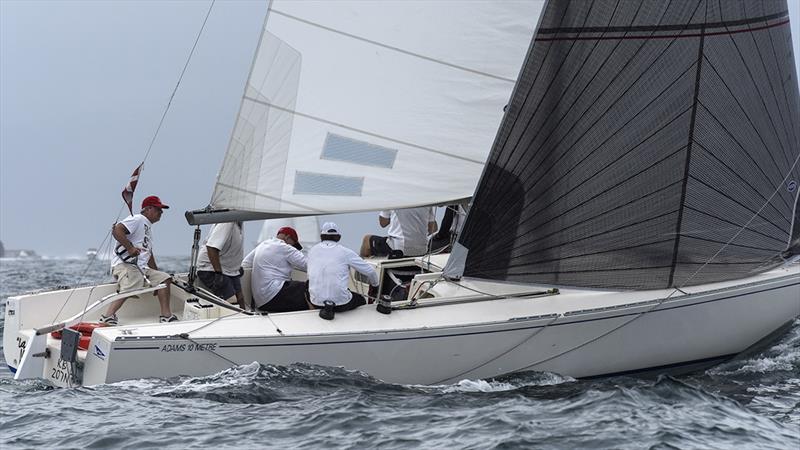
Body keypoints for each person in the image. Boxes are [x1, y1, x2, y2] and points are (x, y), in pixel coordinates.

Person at [100, 195, 175, 325]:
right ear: (148, 209)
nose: (161, 213)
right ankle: (108, 316)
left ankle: (166, 316)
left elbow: (148, 254)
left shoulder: (148, 227)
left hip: (141, 268)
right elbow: (117, 230)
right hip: (125, 264)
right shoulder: (138, 219)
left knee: (165, 279)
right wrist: (129, 248)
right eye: (158, 209)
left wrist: (155, 277)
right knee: (133, 282)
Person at [310, 222, 379, 319]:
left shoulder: (312, 251)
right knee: (361, 300)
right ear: (338, 237)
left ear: (321, 237)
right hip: (340, 304)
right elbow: (371, 272)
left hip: (316, 302)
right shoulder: (345, 252)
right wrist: (375, 287)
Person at [242, 226, 309, 312]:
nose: (294, 247)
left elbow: (245, 264)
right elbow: (308, 265)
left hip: (260, 302)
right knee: (309, 288)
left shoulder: (262, 245)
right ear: (287, 237)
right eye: (293, 244)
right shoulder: (285, 247)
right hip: (275, 296)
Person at [196, 221, 245, 308]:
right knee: (232, 300)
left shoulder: (239, 222)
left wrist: (236, 266)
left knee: (240, 298)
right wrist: (218, 274)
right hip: (210, 268)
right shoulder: (226, 222)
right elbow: (211, 247)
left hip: (229, 269)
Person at [361, 207, 437, 258]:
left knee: (366, 240)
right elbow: (433, 229)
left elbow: (383, 223)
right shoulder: (425, 200)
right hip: (422, 249)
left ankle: (363, 274)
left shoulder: (394, 198)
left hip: (398, 249)